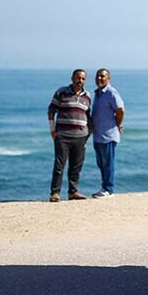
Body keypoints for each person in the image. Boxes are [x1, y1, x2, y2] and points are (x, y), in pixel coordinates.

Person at [47, 69, 92, 202]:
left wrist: (89, 132)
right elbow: (51, 111)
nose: (80, 81)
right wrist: (52, 130)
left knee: (76, 166)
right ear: (72, 78)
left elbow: (88, 116)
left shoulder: (87, 96)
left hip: (80, 136)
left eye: (83, 78)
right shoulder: (62, 92)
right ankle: (55, 193)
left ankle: (73, 192)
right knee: (59, 165)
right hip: (63, 136)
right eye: (78, 78)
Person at [91, 69, 125, 198]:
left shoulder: (111, 92)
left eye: (103, 76)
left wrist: (118, 123)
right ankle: (104, 187)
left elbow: (120, 109)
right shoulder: (98, 93)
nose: (99, 78)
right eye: (98, 76)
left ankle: (109, 189)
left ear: (108, 79)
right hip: (98, 135)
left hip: (108, 135)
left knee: (108, 163)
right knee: (101, 163)